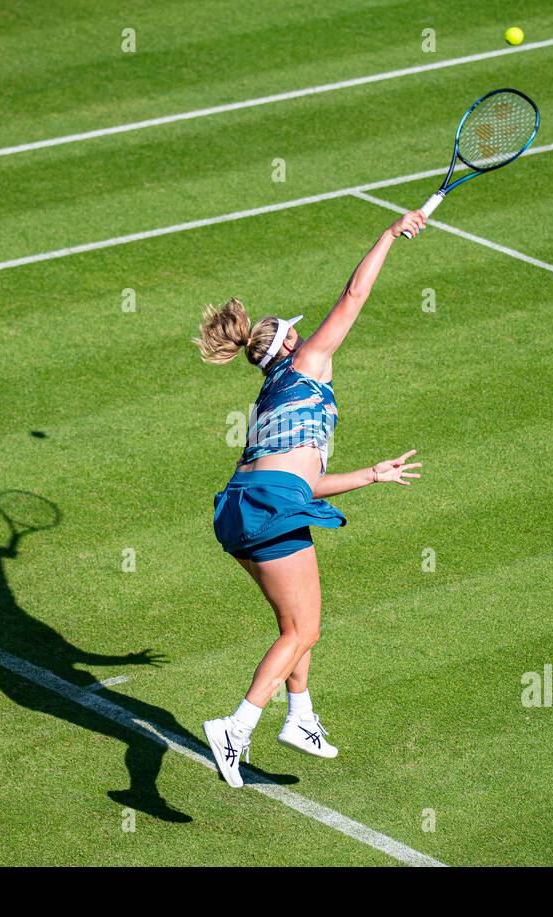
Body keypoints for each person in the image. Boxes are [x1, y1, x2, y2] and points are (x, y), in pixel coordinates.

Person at [193, 209, 428, 787]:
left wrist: (371, 476)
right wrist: (388, 236)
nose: (311, 334)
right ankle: (237, 725)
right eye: (299, 331)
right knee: (303, 631)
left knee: (297, 621)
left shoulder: (271, 395)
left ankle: (300, 717)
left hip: (243, 506)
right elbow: (352, 298)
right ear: (291, 344)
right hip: (271, 505)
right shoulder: (308, 364)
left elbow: (304, 482)